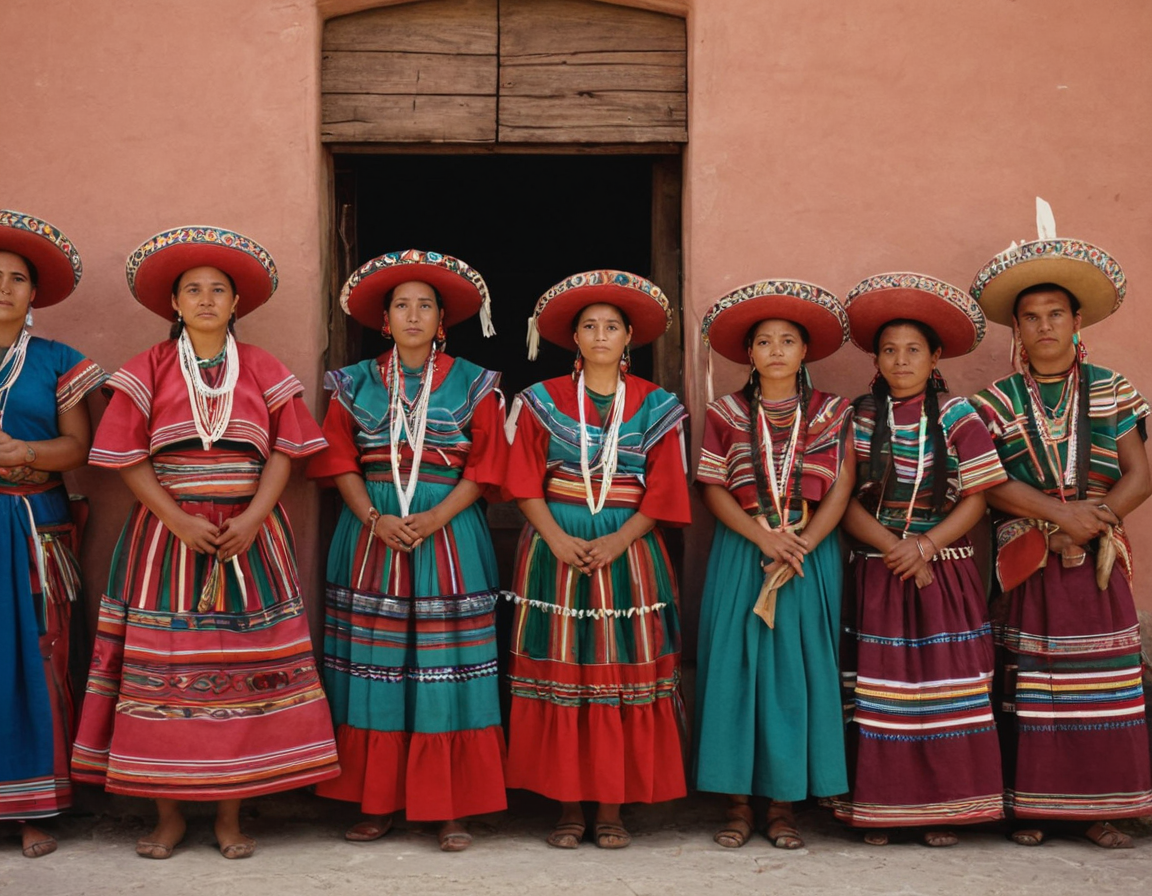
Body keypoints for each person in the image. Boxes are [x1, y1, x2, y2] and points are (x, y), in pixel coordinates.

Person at [71, 226, 339, 859]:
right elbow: (130, 457)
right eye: (193, 290)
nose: (207, 299)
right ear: (174, 303)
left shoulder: (264, 367)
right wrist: (177, 519)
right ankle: (166, 815)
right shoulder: (149, 367)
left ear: (236, 303)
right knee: (162, 674)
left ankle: (230, 815)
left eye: (218, 290)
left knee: (243, 672)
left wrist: (252, 519)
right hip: (164, 539)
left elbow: (285, 451)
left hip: (251, 539)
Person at [308, 249, 506, 852]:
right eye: (401, 306)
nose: (413, 315)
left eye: (425, 306)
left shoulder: (475, 382)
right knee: (376, 663)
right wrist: (374, 518)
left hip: (451, 535)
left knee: (448, 668)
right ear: (384, 319)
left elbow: (486, 464)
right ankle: (378, 801)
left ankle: (449, 806)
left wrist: (437, 516)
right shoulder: (353, 383)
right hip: (370, 536)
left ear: (443, 319)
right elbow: (338, 460)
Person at [969, 230, 1152, 848]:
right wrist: (1054, 517)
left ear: (1077, 322)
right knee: (1031, 681)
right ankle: (1032, 807)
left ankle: (1099, 809)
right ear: (1016, 330)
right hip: (1028, 558)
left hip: (1096, 558)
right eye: (1030, 317)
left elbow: (1140, 475)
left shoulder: (1112, 387)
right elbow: (988, 480)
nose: (1044, 326)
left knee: (1099, 683)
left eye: (1055, 314)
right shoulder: (994, 402)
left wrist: (1090, 522)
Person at [504, 271, 690, 849]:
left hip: (629, 553)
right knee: (564, 669)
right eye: (590, 326)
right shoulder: (540, 400)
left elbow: (665, 491)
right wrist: (557, 539)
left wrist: (618, 540)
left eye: (612, 326)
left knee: (617, 671)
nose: (601, 335)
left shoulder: (657, 405)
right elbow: (522, 481)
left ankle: (611, 808)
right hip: (553, 548)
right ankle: (567, 808)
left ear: (630, 336)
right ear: (575, 338)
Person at [833, 273, 1007, 847]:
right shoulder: (859, 416)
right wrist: (896, 548)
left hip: (945, 568)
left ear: (935, 358)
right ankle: (881, 810)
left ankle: (945, 811)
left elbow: (978, 497)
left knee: (944, 691)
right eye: (889, 350)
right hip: (877, 568)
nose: (901, 361)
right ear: (876, 360)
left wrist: (926, 546)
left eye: (913, 350)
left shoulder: (959, 414)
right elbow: (842, 499)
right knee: (880, 693)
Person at [692, 280, 855, 850]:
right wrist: (763, 537)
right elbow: (712, 487)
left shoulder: (832, 412)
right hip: (745, 551)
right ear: (749, 353)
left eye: (788, 340)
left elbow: (842, 486)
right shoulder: (726, 412)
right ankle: (737, 805)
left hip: (809, 555)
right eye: (764, 341)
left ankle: (784, 806)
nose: (777, 350)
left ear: (805, 350)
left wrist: (802, 542)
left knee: (795, 673)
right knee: (735, 670)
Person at [0, 211, 105, 858]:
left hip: (34, 527)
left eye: (16, 279)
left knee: (38, 658)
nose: (4, 288)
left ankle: (33, 808)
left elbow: (78, 448)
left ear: (34, 293)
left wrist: (24, 454)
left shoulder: (59, 361)